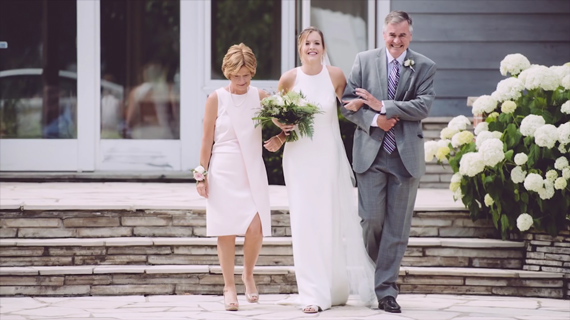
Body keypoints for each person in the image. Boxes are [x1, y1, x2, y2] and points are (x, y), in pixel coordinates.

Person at [265, 27, 375, 314]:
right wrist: (280, 129)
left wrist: (361, 103)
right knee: (304, 222)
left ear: (323, 48)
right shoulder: (289, 78)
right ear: (300, 48)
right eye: (307, 43)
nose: (312, 47)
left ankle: (335, 287)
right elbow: (278, 117)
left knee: (328, 221)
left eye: (317, 43)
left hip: (328, 156)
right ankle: (313, 293)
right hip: (299, 158)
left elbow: (349, 106)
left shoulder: (335, 76)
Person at [340, 11, 437, 313]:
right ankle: (373, 277)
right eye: (392, 35)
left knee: (397, 229)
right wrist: (374, 121)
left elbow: (423, 106)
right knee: (370, 220)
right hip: (371, 154)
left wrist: (381, 105)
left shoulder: (424, 66)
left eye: (402, 36)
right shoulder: (363, 60)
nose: (396, 41)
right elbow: (346, 103)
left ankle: (385, 291)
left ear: (410, 35)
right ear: (384, 34)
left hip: (405, 157)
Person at [196, 43, 271, 312]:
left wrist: (281, 136)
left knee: (256, 228)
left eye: (246, 75)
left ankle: (248, 274)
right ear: (227, 73)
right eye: (237, 76)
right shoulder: (216, 98)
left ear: (252, 72)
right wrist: (201, 175)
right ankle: (229, 285)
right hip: (224, 169)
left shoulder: (261, 96)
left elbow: (285, 125)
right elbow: (207, 139)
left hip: (252, 167)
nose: (242, 81)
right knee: (225, 230)